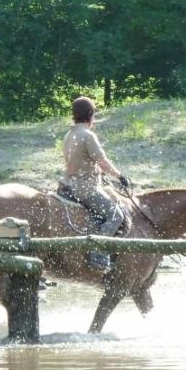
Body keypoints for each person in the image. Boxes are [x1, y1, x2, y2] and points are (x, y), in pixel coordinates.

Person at [58, 96, 131, 271]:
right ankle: (97, 253)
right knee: (116, 216)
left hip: (69, 184)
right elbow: (102, 161)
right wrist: (120, 176)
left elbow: (83, 161)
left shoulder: (70, 134)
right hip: (85, 188)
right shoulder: (87, 135)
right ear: (90, 114)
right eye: (94, 115)